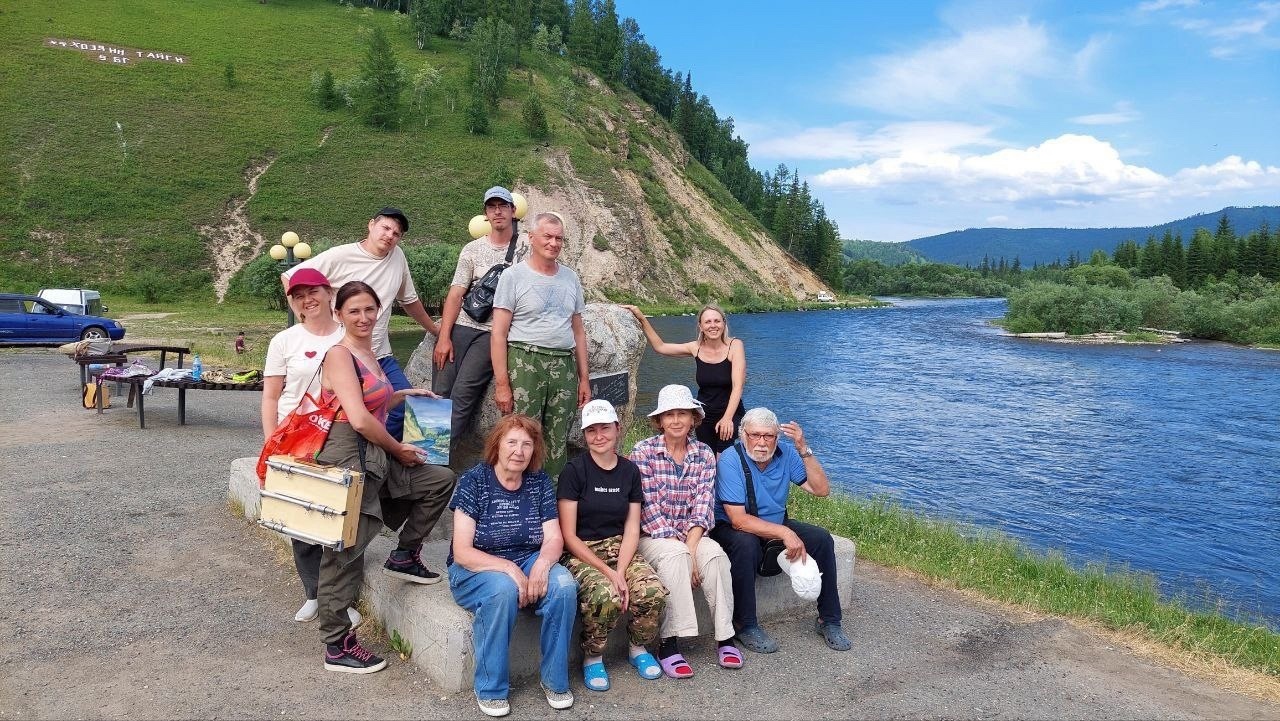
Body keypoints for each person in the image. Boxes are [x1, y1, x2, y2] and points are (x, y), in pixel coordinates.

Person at [312, 281, 457, 674]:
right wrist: (399, 450)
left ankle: (405, 554)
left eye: (370, 309)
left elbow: (371, 401)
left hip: (374, 453)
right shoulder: (339, 355)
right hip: (348, 454)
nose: (363, 317)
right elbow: (357, 418)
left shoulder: (368, 353)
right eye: (354, 310)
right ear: (339, 314)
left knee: (439, 479)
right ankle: (336, 643)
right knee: (344, 551)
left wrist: (406, 395)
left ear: (380, 312)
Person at [447, 414, 578, 717]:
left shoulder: (540, 482)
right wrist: (509, 568)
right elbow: (463, 551)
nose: (519, 451)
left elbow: (554, 537)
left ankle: (555, 681)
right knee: (503, 590)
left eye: (527, 445)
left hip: (529, 557)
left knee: (564, 586)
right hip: (476, 568)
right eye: (512, 442)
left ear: (535, 451)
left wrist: (544, 563)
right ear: (497, 445)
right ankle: (491, 687)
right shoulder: (474, 480)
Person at [282, 207, 441, 441]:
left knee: (413, 406)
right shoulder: (341, 255)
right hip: (345, 355)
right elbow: (290, 277)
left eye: (396, 233)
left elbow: (409, 301)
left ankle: (386, 458)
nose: (389, 235)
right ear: (371, 225)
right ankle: (370, 455)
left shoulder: (398, 257)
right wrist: (308, 323)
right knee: (343, 413)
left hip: (380, 355)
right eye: (385, 228)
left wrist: (436, 330)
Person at [709, 407, 851, 654]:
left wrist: (803, 449)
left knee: (822, 539)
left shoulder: (786, 455)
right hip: (732, 527)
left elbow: (821, 490)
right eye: (755, 435)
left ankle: (829, 620)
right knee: (746, 544)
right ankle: (745, 624)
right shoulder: (731, 460)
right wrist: (785, 533)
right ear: (743, 435)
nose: (762, 443)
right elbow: (738, 520)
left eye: (769, 436)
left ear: (777, 437)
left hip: (773, 522)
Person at [259, 269, 357, 626]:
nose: (306, 299)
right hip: (294, 438)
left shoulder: (349, 335)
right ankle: (313, 593)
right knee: (300, 519)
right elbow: (271, 396)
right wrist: (272, 445)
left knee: (339, 520)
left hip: (339, 438)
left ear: (328, 293)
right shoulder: (284, 341)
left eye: (312, 291)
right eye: (298, 295)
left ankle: (341, 598)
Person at [628, 384, 741, 678]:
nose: (676, 420)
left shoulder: (703, 454)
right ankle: (668, 643)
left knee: (715, 555)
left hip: (691, 534)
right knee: (676, 555)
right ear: (659, 421)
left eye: (683, 414)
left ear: (694, 419)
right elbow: (648, 510)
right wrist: (684, 552)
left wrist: (692, 550)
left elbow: (703, 507)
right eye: (669, 415)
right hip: (653, 537)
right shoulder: (644, 452)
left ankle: (725, 636)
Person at [558, 399, 666, 691]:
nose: (599, 436)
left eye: (604, 428)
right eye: (591, 431)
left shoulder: (629, 471)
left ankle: (638, 648)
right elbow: (568, 535)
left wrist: (621, 569)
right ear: (584, 435)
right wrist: (611, 575)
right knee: (606, 594)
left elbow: (632, 526)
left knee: (651, 590)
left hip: (620, 547)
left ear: (618, 429)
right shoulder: (575, 471)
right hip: (582, 551)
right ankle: (592, 656)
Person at [490, 211, 590, 478]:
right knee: (520, 435)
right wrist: (502, 384)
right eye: (547, 236)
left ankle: (551, 502)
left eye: (559, 238)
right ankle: (515, 497)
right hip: (526, 361)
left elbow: (578, 331)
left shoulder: (571, 278)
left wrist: (584, 378)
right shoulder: (513, 277)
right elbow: (498, 333)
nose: (554, 243)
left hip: (563, 365)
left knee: (558, 439)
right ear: (531, 237)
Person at [432, 187, 530, 452]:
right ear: (486, 214)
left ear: (513, 210)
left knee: (463, 395)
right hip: (462, 325)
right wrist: (443, 337)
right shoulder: (472, 249)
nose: (497, 211)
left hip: (491, 333)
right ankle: (417, 456)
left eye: (503, 206)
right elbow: (456, 293)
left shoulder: (527, 248)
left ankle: (432, 458)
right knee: (437, 394)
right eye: (491, 207)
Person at [622, 304, 745, 454]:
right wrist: (641, 317)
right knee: (707, 456)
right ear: (700, 326)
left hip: (730, 411)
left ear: (724, 323)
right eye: (708, 322)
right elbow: (660, 347)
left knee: (723, 456)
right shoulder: (696, 347)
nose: (713, 325)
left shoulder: (735, 345)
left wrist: (727, 418)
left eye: (717, 321)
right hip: (705, 414)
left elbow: (738, 386)